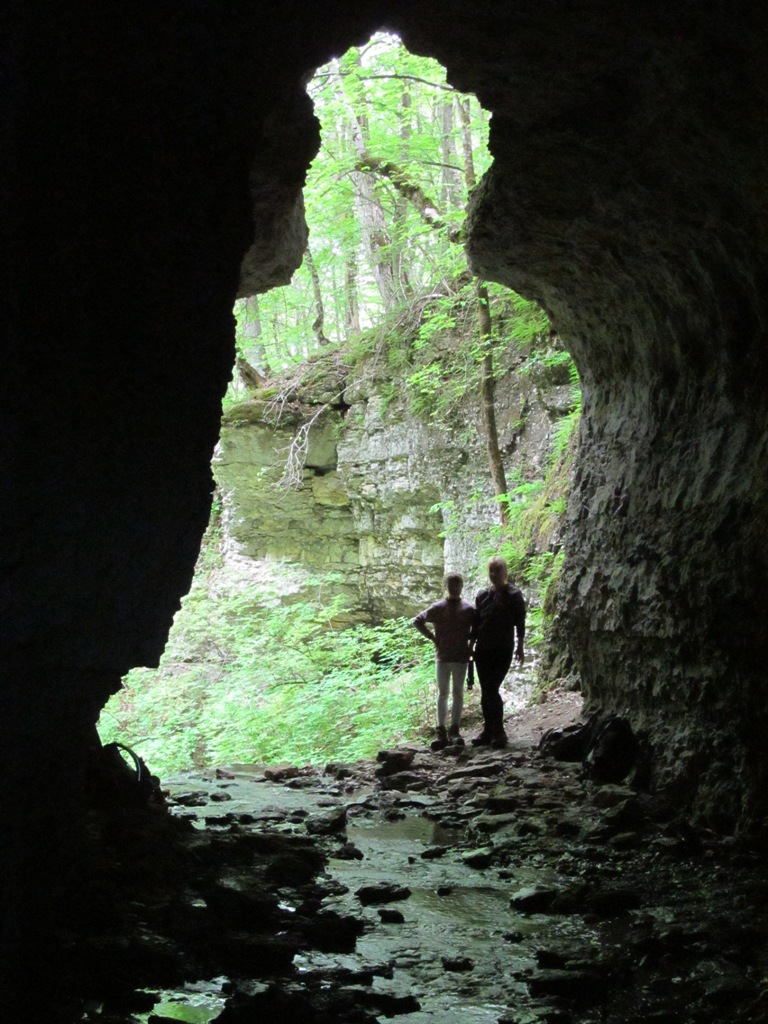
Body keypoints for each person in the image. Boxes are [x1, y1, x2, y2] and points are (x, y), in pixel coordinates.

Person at [413, 572, 476, 750]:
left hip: (460, 657)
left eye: (457, 584)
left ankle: (454, 730)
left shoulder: (468, 609)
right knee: (443, 693)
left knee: (457, 693)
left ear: (462, 586)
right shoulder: (438, 607)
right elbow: (417, 621)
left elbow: (478, 628)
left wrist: (471, 645)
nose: (454, 587)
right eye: (451, 584)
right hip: (442, 657)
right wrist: (432, 637)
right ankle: (441, 731)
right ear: (446, 586)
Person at [471, 556, 526, 749]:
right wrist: (471, 645)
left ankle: (499, 731)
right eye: (491, 571)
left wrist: (520, 646)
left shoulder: (514, 595)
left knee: (492, 688)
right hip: (483, 649)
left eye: (497, 570)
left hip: (502, 648)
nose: (494, 574)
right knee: (486, 690)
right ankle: (488, 730)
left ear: (505, 572)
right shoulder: (482, 595)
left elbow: (520, 621)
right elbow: (476, 622)